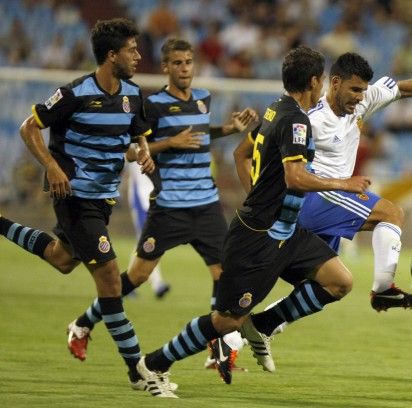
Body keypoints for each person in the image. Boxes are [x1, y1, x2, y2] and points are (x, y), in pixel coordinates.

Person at [134, 45, 372, 397]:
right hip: (257, 238)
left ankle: (263, 323)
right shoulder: (295, 120)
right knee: (225, 321)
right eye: (321, 80)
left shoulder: (276, 109)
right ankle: (152, 364)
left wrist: (259, 194)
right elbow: (295, 178)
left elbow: (243, 154)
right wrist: (344, 183)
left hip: (286, 231)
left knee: (339, 281)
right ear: (314, 81)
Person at [65, 38, 257, 376]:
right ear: (166, 67)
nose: (184, 68)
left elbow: (198, 134)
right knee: (137, 277)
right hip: (170, 208)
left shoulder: (202, 99)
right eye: (178, 63)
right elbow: (134, 149)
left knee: (224, 277)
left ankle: (216, 350)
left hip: (207, 205)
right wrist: (169, 143)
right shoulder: (151, 105)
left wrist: (229, 128)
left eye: (189, 62)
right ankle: (82, 323)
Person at [0, 18, 164, 396]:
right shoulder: (73, 94)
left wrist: (143, 153)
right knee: (109, 279)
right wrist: (53, 166)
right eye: (132, 50)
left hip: (103, 199)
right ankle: (138, 371)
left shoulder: (134, 96)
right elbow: (29, 127)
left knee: (62, 258)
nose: (139, 56)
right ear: (111, 56)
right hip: (75, 198)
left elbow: (135, 132)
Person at [235, 52, 412, 314]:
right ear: (335, 82)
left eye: (363, 90)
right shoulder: (308, 118)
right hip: (312, 199)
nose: (360, 97)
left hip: (329, 203)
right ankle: (384, 289)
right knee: (391, 213)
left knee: (325, 286)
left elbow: (400, 89)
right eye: (354, 89)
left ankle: (256, 329)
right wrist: (259, 197)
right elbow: (249, 151)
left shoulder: (363, 100)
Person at [127, 160, 170, 299]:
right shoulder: (135, 143)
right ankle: (157, 284)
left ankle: (127, 284)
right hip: (140, 198)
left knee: (146, 241)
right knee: (147, 240)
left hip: (155, 198)